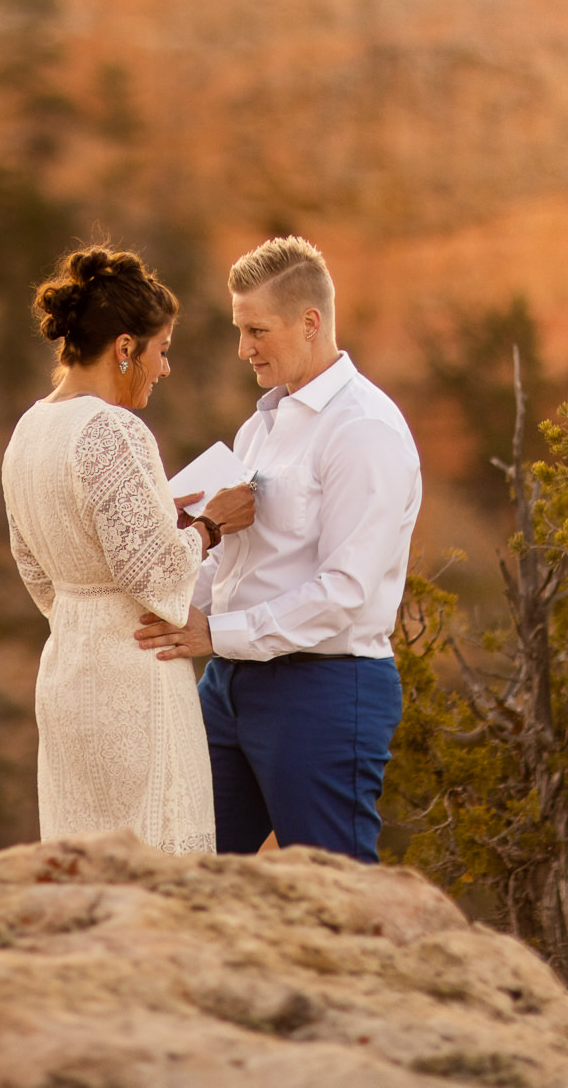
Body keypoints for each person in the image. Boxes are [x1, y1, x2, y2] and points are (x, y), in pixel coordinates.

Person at [136, 236, 420, 863]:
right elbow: (238, 563)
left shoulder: (363, 431)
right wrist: (175, 603)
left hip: (323, 689)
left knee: (335, 895)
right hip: (230, 687)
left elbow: (344, 593)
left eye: (257, 330)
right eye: (241, 330)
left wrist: (217, 633)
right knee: (185, 871)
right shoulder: (259, 426)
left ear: (311, 322)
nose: (244, 350)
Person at [1, 246, 257, 854]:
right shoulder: (113, 428)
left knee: (81, 858)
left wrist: (153, 532)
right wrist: (210, 525)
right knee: (156, 853)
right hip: (133, 678)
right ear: (124, 348)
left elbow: (33, 564)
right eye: (161, 350)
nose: (164, 368)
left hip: (67, 670)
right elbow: (158, 574)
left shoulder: (29, 430)